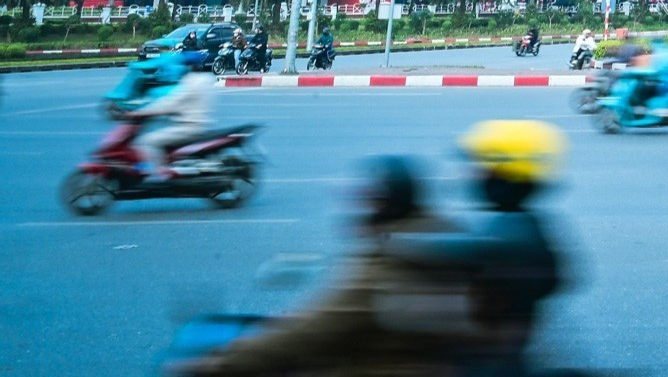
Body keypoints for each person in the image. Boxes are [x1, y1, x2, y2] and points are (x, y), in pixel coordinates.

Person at [183, 158, 456, 375]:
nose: (358, 210)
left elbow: (311, 332)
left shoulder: (386, 265)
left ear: (386, 206)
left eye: (368, 202)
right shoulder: (441, 237)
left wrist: (218, 365)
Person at [389, 121, 568, 371]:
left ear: (504, 175)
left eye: (479, 167)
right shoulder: (520, 222)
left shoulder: (513, 233)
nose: (470, 174)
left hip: (492, 363)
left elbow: (459, 248)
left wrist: (390, 242)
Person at [128, 54, 216, 180]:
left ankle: (161, 173)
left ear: (188, 67)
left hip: (189, 127)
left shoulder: (190, 83)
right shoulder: (206, 79)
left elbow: (171, 103)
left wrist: (142, 112)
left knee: (147, 141)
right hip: (200, 124)